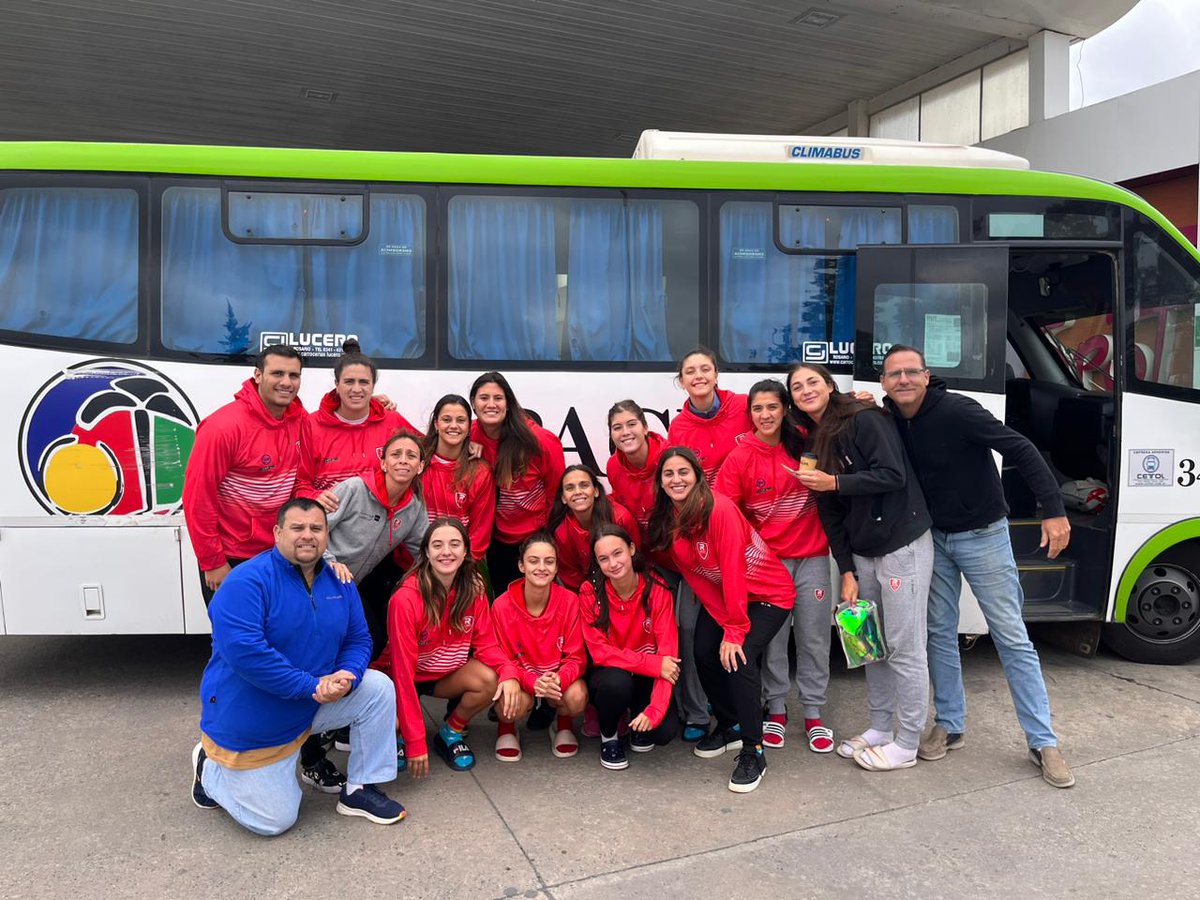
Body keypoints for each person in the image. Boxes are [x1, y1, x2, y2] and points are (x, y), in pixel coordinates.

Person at [878, 345, 1075, 788]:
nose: (903, 380)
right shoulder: (890, 419)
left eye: (912, 372)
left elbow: (1021, 450)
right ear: (884, 382)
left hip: (983, 534)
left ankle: (1043, 741)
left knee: (1010, 634)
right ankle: (950, 723)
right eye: (894, 374)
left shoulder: (959, 412)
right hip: (932, 539)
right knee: (940, 633)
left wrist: (1053, 508)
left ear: (927, 376)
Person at [190, 498, 405, 834]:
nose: (308, 535)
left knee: (377, 687)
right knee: (274, 821)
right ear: (277, 533)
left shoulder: (339, 581)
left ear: (327, 534)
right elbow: (247, 653)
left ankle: (360, 788)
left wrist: (348, 674)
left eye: (316, 528)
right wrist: (313, 686)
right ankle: (211, 769)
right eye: (298, 528)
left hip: (309, 705)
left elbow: (359, 639)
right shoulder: (246, 581)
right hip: (256, 718)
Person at [789, 363, 933, 773]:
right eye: (797, 387)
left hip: (902, 544)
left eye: (812, 382)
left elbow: (892, 474)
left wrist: (835, 483)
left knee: (905, 647)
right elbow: (830, 515)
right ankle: (880, 728)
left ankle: (907, 742)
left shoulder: (865, 418)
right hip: (864, 554)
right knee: (869, 645)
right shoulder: (815, 441)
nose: (805, 390)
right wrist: (847, 569)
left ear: (830, 386)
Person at [647, 447, 795, 793]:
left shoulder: (720, 509)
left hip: (768, 595)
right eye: (668, 474)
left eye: (683, 472)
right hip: (728, 597)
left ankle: (753, 750)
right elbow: (698, 577)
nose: (676, 479)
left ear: (697, 475)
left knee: (738, 658)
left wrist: (734, 629)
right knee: (702, 652)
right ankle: (729, 724)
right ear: (662, 483)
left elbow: (732, 572)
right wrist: (721, 620)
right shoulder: (671, 519)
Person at [715, 380, 834, 753]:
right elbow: (724, 511)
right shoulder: (740, 456)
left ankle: (814, 713)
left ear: (785, 409)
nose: (765, 415)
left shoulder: (806, 442)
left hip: (813, 556)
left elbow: (844, 420)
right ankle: (777, 709)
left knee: (814, 636)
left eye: (771, 407)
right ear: (749, 414)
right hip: (768, 566)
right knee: (775, 641)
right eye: (757, 409)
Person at [607, 399, 709, 740]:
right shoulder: (614, 467)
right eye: (617, 427)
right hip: (655, 564)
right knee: (663, 635)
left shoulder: (669, 459)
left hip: (690, 561)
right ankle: (667, 705)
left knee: (690, 631)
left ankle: (696, 711)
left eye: (631, 424)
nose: (625, 433)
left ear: (645, 426)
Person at [379, 518, 504, 776]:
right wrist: (415, 742)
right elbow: (402, 674)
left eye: (454, 544)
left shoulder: (474, 588)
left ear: (466, 551)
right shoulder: (405, 598)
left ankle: (450, 733)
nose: (446, 551)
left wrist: (510, 674)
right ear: (426, 552)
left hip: (440, 675)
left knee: (488, 679)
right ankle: (399, 736)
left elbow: (487, 643)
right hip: (399, 677)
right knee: (389, 721)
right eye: (437, 545)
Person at [183, 345, 305, 605]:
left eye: (293, 376)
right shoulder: (221, 428)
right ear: (257, 375)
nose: (286, 382)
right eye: (277, 373)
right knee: (237, 642)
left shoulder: (299, 420)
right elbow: (198, 499)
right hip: (234, 558)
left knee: (282, 638)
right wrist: (213, 561)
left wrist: (374, 404)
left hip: (281, 554)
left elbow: (335, 424)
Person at [579, 525, 681, 771]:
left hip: (646, 676)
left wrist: (654, 712)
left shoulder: (657, 589)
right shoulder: (590, 592)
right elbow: (599, 652)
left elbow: (669, 659)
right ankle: (610, 735)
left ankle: (637, 720)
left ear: (632, 549)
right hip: (610, 675)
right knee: (616, 683)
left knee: (664, 732)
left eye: (618, 553)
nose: (612, 563)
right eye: (603, 558)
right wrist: (654, 664)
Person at [324, 430, 428, 657]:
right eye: (396, 454)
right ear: (383, 463)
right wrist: (330, 562)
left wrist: (460, 575)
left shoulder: (414, 507)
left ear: (420, 466)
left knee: (374, 640)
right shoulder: (354, 488)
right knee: (325, 637)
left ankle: (347, 687)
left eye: (411, 456)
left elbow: (426, 550)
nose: (403, 460)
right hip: (319, 576)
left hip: (352, 585)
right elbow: (313, 529)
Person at [490, 534, 588, 762]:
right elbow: (503, 659)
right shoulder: (501, 606)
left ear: (556, 568)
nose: (541, 567)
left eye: (549, 561)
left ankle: (563, 724)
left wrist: (559, 679)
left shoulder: (570, 601)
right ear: (521, 565)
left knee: (577, 696)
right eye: (533, 561)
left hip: (556, 680)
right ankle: (506, 728)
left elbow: (577, 658)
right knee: (509, 702)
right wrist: (531, 681)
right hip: (523, 679)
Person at [469, 372, 566, 592]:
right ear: (473, 404)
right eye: (484, 398)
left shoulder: (540, 441)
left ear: (508, 403)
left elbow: (556, 495)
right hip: (496, 541)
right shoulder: (467, 435)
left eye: (498, 398)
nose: (491, 404)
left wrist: (547, 538)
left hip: (535, 537)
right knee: (505, 600)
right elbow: (428, 446)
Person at [294, 338, 419, 504]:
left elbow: (432, 450)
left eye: (364, 382)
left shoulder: (391, 420)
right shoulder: (311, 425)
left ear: (373, 386)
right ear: (337, 385)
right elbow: (300, 484)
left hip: (380, 522)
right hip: (330, 522)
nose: (357, 389)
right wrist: (314, 496)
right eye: (349, 382)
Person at [419, 394, 496, 562]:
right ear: (436, 424)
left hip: (458, 564)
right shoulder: (417, 463)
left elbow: (479, 532)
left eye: (461, 420)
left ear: (469, 427)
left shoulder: (480, 472)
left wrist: (463, 567)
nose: (453, 426)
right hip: (414, 560)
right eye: (446, 419)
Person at [548, 464, 639, 593]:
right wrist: (591, 595)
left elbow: (636, 557)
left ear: (596, 491)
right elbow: (571, 575)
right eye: (570, 488)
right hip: (591, 590)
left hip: (627, 583)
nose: (578, 492)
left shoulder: (621, 518)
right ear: (563, 498)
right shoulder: (561, 531)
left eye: (584, 485)